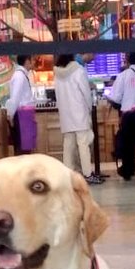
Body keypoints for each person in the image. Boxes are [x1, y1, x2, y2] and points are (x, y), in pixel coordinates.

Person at [53, 54, 100, 184]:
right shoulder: (79, 71)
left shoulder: (57, 73)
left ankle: (67, 175)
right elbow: (85, 92)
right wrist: (89, 108)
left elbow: (57, 94)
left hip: (65, 114)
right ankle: (87, 174)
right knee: (83, 144)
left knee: (68, 146)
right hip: (79, 113)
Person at [106, 52, 135, 181]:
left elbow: (116, 98)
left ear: (128, 61)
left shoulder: (123, 76)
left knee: (128, 145)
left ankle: (128, 170)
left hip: (129, 115)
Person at [5, 54, 37, 154]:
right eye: (33, 59)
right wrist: (10, 114)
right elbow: (15, 97)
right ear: (27, 61)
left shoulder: (22, 75)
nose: (34, 62)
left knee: (26, 145)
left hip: (25, 114)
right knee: (23, 147)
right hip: (22, 115)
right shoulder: (19, 76)